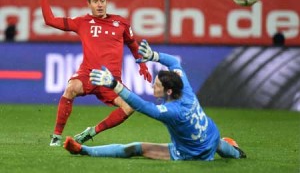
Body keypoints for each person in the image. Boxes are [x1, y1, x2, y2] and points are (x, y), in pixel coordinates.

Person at [64, 40, 246, 161]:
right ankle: (236, 152)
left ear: (168, 91)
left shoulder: (172, 112)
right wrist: (153, 56)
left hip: (191, 154)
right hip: (211, 135)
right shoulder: (185, 87)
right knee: (217, 143)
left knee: (134, 148)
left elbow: (141, 106)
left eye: (156, 84)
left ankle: (83, 150)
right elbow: (174, 62)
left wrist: (114, 85)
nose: (152, 85)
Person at [35, 0, 152, 146]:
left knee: (129, 107)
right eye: (96, 1)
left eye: (102, 1)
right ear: (89, 4)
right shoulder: (82, 22)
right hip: (88, 75)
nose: (100, 5)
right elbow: (50, 20)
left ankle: (91, 132)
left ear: (107, 2)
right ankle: (56, 136)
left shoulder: (121, 23)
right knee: (71, 88)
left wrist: (142, 64)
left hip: (111, 81)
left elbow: (133, 44)